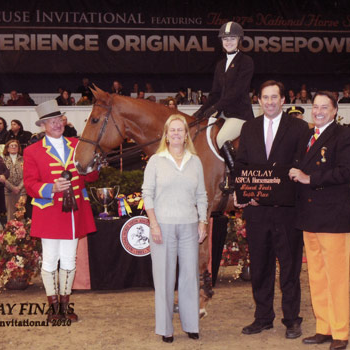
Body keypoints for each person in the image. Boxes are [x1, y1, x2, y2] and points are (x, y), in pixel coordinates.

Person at [235, 80, 307, 339]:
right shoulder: (249, 128)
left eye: (274, 97)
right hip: (257, 211)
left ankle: (292, 319)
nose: (269, 101)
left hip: (288, 210)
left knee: (290, 268)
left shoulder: (299, 128)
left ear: (283, 100)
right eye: (265, 97)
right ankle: (263, 317)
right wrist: (244, 192)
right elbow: (242, 165)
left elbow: (302, 164)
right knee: (261, 266)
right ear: (259, 101)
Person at [288, 91, 350, 350]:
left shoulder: (345, 135)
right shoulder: (307, 135)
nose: (318, 111)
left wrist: (309, 178)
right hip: (310, 217)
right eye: (315, 107)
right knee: (316, 275)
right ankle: (323, 327)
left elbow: (344, 172)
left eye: (324, 107)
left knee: (336, 277)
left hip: (333, 217)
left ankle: (340, 332)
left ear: (334, 110)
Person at [23, 100, 99, 322]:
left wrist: (94, 165)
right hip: (49, 212)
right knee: (49, 260)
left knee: (69, 260)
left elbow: (90, 177)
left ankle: (65, 305)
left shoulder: (78, 144)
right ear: (43, 125)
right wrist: (51, 188)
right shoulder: (32, 151)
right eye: (51, 121)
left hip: (74, 213)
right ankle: (52, 306)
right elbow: (30, 184)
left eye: (59, 120)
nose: (57, 124)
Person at [142, 114, 208, 343]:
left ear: (186, 135)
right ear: (166, 135)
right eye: (173, 130)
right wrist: (154, 224)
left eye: (181, 130)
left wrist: (202, 221)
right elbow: (146, 195)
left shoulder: (195, 161)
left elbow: (201, 195)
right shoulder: (156, 161)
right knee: (164, 279)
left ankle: (191, 325)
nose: (177, 134)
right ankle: (166, 328)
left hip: (189, 225)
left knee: (190, 277)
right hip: (163, 227)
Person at [193, 21, 254, 170]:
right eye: (225, 39)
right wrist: (200, 112)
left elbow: (236, 92)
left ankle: (235, 176)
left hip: (239, 115)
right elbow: (215, 93)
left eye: (232, 38)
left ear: (239, 40)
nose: (229, 42)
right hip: (223, 114)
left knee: (221, 139)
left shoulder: (246, 62)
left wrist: (215, 107)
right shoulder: (220, 65)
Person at [2, 140, 26, 222]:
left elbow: (27, 175)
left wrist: (19, 187)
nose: (13, 147)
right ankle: (11, 234)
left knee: (21, 214)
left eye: (15, 146)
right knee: (10, 214)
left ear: (19, 148)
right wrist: (12, 188)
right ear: (7, 148)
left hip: (22, 191)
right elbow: (2, 177)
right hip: (8, 191)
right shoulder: (2, 161)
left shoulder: (24, 159)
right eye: (11, 146)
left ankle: (22, 233)